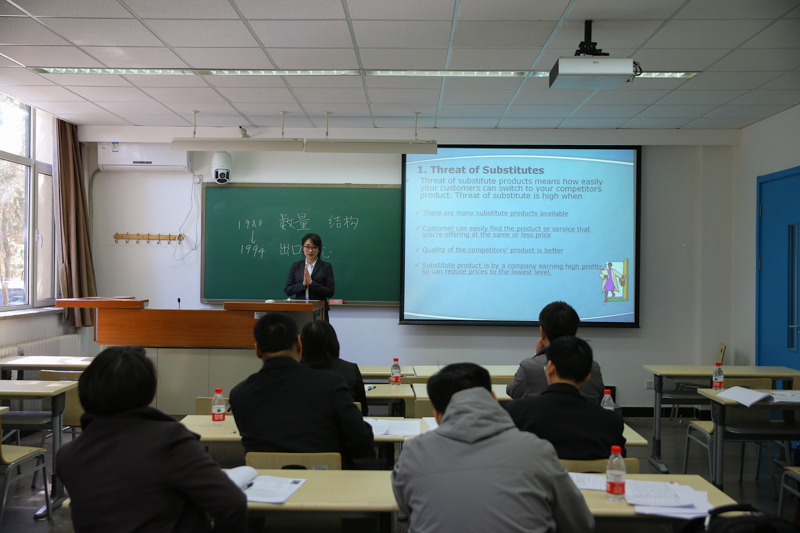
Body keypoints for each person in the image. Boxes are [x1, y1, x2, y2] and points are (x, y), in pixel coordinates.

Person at [56, 346, 247, 533]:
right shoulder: (169, 440)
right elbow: (232, 504)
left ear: (86, 390)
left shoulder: (67, 456)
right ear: (148, 393)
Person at [391, 363, 594, 533]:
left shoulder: (412, 453)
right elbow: (580, 523)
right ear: (494, 399)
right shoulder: (537, 450)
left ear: (437, 415)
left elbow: (408, 507)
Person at [229, 311, 373, 469]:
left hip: (266, 479)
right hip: (326, 480)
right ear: (299, 344)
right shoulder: (331, 384)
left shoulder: (239, 394)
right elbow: (361, 445)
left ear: (257, 350)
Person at [505, 336, 626, 460]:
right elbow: (618, 463)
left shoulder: (516, 412)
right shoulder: (611, 422)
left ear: (550, 369)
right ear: (587, 377)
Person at [506, 300, 605, 403]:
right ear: (575, 333)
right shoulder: (592, 367)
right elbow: (600, 397)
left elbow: (512, 392)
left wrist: (537, 356)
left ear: (542, 332)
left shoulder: (529, 367)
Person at [300, 320, 369, 415]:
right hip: (342, 423)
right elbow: (363, 411)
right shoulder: (350, 369)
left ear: (302, 344)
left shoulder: (293, 372)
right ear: (333, 342)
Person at [284, 233, 334, 320]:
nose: (310, 250)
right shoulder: (296, 266)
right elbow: (288, 290)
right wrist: (302, 284)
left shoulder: (326, 267)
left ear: (319, 249)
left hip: (319, 310)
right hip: (299, 310)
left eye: (314, 247)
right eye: (307, 247)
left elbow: (330, 292)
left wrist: (312, 283)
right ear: (302, 248)